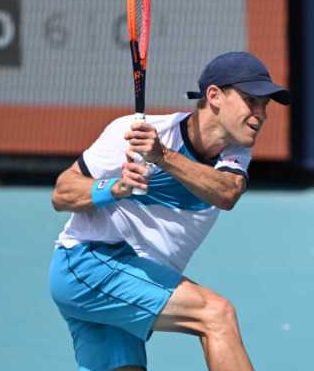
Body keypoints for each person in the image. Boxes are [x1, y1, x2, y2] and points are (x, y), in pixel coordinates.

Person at [48, 51, 290, 371]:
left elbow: (227, 193)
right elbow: (62, 192)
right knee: (216, 315)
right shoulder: (135, 132)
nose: (260, 114)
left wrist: (162, 157)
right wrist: (114, 189)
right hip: (89, 264)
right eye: (251, 101)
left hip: (131, 282)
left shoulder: (234, 152)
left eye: (265, 105)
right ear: (214, 96)